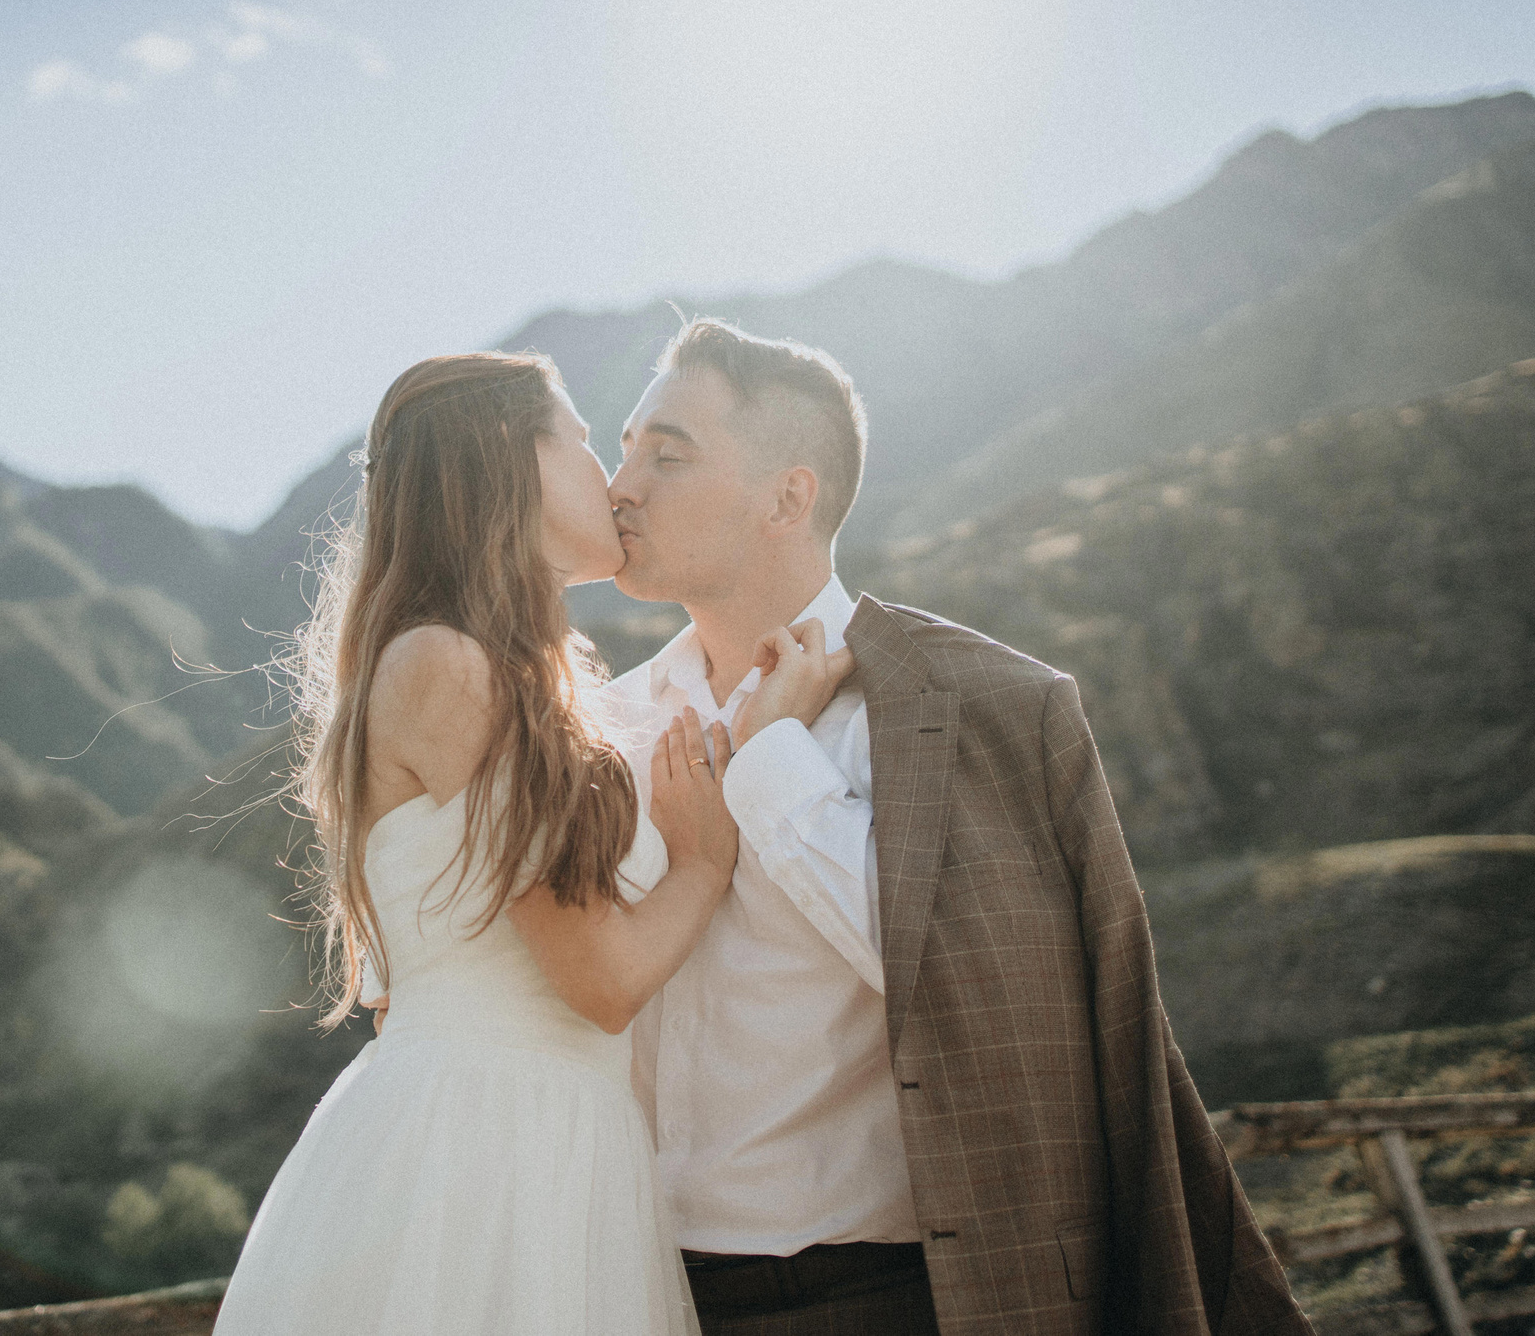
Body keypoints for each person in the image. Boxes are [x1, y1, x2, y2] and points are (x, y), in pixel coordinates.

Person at [604, 317, 1314, 1336]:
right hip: (638, 1293)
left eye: (666, 455)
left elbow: (968, 976)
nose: (620, 484)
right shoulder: (604, 724)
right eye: (623, 447)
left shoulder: (991, 703)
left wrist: (770, 765)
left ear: (787, 497)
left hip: (890, 1299)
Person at [216, 350, 853, 1336]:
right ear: (511, 463)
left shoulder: (537, 679)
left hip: (547, 1137)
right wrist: (704, 859)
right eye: (589, 442)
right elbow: (599, 982)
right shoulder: (448, 665)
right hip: (488, 1149)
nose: (614, 480)